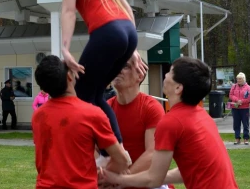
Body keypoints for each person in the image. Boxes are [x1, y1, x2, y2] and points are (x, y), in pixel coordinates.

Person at [59, 0, 145, 144]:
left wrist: (65, 49)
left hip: (108, 32)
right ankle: (116, 151)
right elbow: (126, 8)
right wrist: (131, 48)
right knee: (96, 95)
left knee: (80, 95)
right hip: (126, 30)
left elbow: (68, 11)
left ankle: (103, 151)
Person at [101, 57, 238, 189]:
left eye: (170, 72)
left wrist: (117, 179)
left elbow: (154, 179)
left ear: (178, 88)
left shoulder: (171, 122)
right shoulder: (202, 115)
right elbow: (183, 172)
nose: (165, 74)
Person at [32, 55, 132, 188]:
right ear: (69, 77)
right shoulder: (92, 114)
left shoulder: (38, 116)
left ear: (44, 89)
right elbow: (122, 160)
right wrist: (105, 175)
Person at [107, 59, 167, 189]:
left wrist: (123, 181)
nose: (118, 69)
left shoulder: (151, 107)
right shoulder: (107, 107)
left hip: (147, 182)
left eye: (126, 66)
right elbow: (95, 150)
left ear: (140, 76)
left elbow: (152, 153)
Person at [229, 72, 250, 145]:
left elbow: (249, 98)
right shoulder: (234, 87)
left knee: (245, 124)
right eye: (237, 79)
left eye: (240, 79)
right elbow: (231, 95)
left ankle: (246, 138)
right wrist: (236, 100)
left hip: (245, 108)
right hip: (235, 108)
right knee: (236, 124)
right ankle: (237, 138)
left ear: (244, 79)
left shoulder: (248, 87)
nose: (238, 80)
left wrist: (241, 101)